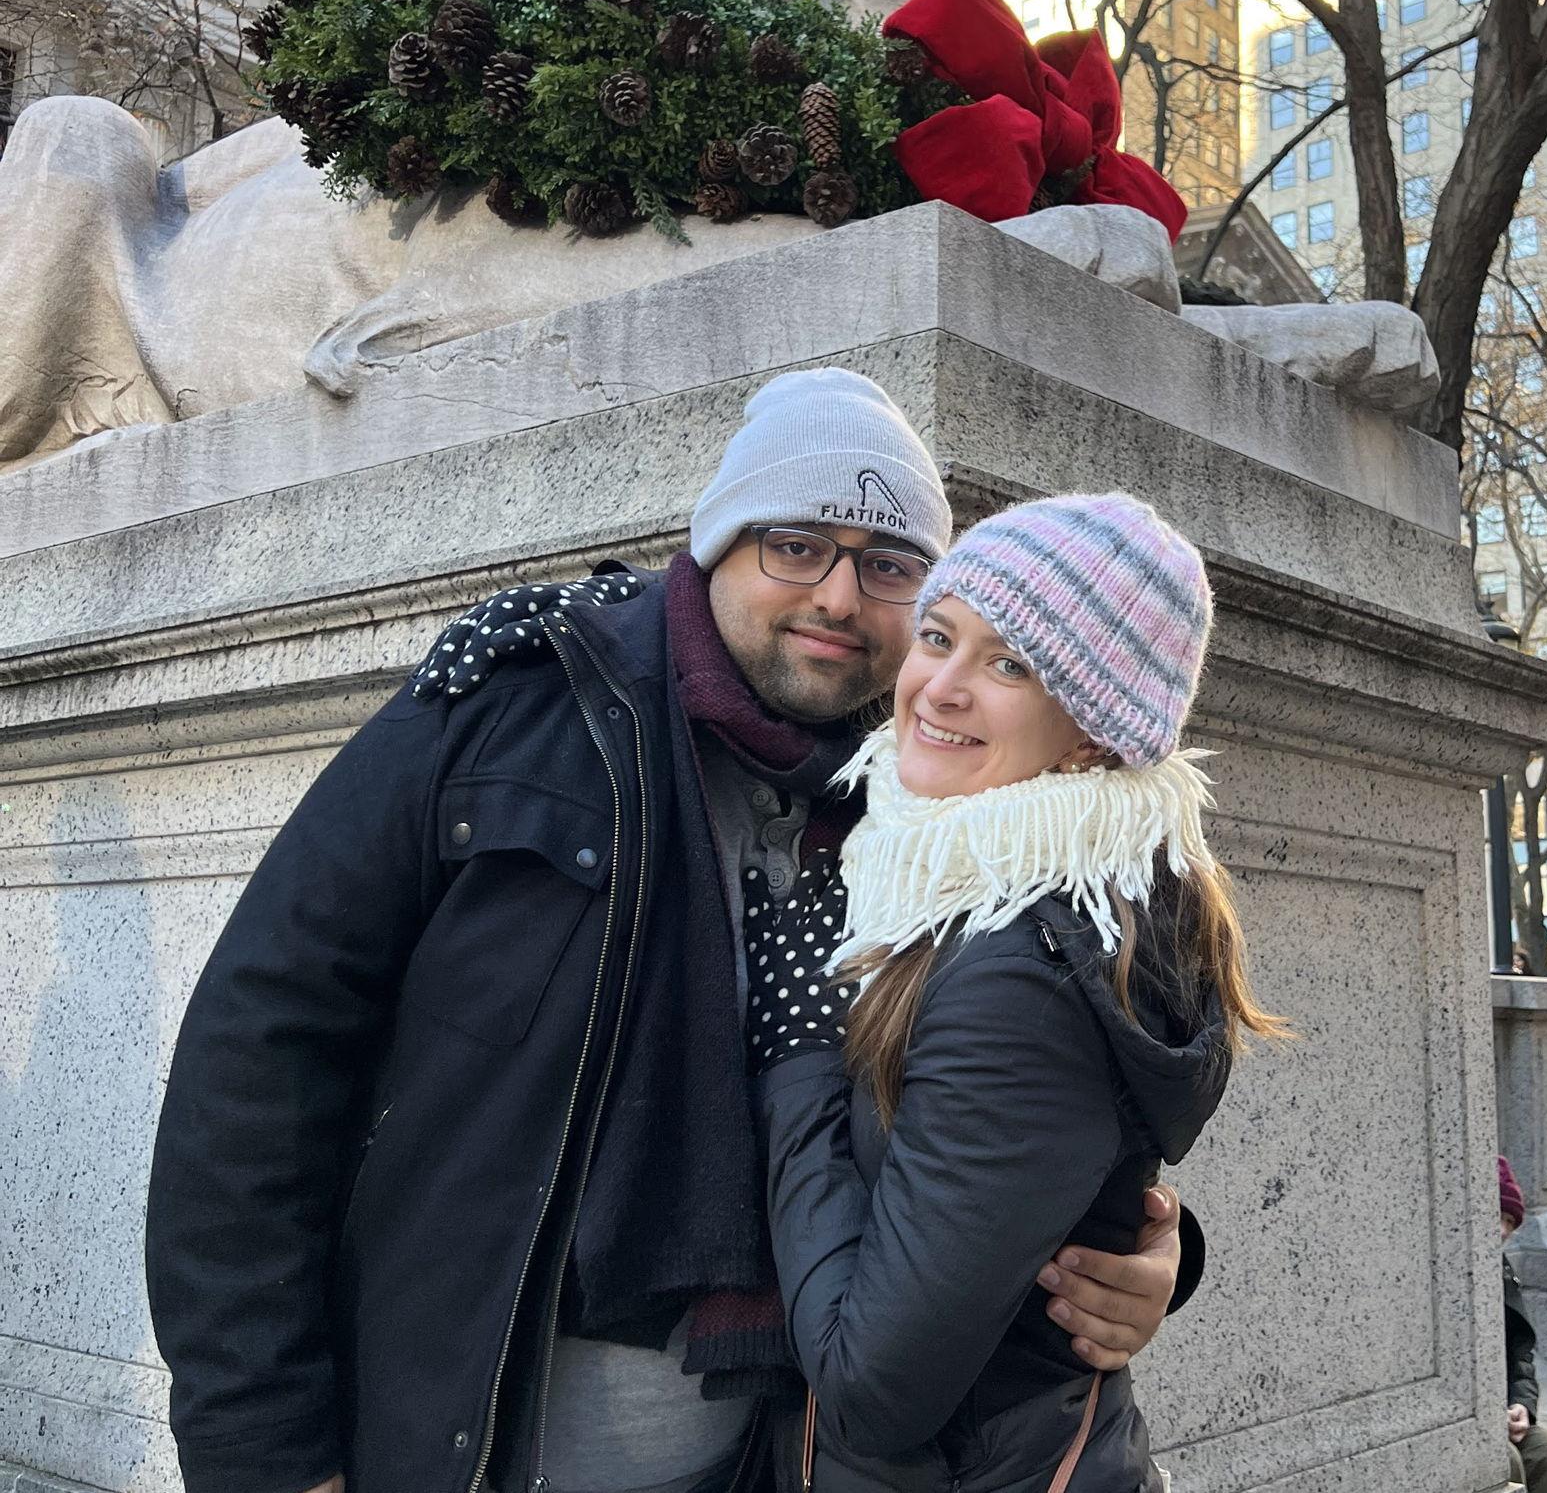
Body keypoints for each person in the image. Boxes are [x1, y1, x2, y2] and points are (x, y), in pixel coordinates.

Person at [143, 371, 1187, 1493]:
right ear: (717, 546)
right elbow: (259, 1049)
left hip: (778, 1455)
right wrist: (259, 1448)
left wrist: (1137, 1256)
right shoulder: (517, 701)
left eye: (887, 565)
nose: (838, 595)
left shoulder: (937, 808)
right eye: (794, 543)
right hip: (464, 1440)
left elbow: (997, 1112)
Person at [751, 494, 1284, 1493]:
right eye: (938, 638)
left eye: (1010, 664)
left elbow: (873, 1389)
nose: (938, 689)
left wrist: (795, 1053)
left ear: (1092, 733)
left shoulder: (1015, 970)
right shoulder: (944, 879)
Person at [1499, 1158, 1547, 1491]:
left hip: (1503, 1409)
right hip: (1464, 1421)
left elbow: (1520, 1355)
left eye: (1508, 1221)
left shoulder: (1500, 1271)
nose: (1501, 1230)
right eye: (1494, 1216)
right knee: (1508, 1464)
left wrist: (1522, 1406)